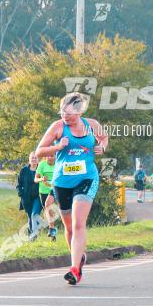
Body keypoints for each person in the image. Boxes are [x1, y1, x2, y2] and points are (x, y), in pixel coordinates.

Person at [35, 92, 109, 285]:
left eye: (68, 113)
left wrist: (102, 147)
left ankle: (75, 270)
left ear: (79, 111)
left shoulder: (91, 125)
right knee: (68, 228)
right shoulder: (57, 127)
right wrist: (58, 147)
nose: (65, 116)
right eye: (62, 112)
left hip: (86, 178)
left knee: (78, 223)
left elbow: (104, 137)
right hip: (62, 182)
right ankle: (79, 259)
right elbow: (40, 151)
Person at [16, 151, 43, 239]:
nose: (34, 159)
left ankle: (33, 235)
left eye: (36, 158)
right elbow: (19, 185)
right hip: (26, 198)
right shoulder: (24, 170)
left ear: (38, 159)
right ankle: (32, 233)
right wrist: (21, 193)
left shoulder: (41, 169)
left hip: (38, 196)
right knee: (30, 216)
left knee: (34, 215)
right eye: (32, 158)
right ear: (29, 159)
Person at [35, 154, 58, 239]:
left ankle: (51, 229)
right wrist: (41, 179)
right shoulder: (42, 164)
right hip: (43, 191)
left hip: (55, 189)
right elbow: (35, 179)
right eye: (48, 156)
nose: (49, 157)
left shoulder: (58, 164)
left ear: (55, 157)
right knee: (47, 210)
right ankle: (53, 233)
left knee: (48, 206)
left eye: (52, 156)